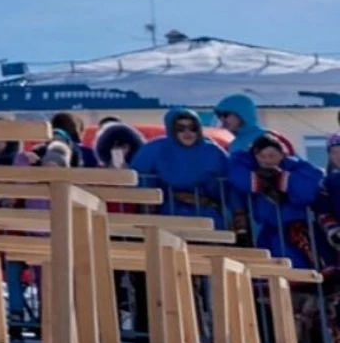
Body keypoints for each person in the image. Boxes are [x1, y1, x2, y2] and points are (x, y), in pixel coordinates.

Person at [228, 135, 327, 270]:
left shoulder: (297, 168)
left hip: (295, 229)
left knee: (296, 261)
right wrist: (260, 179)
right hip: (269, 229)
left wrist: (281, 179)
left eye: (271, 155)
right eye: (262, 156)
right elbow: (237, 173)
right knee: (270, 262)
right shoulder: (252, 169)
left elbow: (307, 192)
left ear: (282, 155)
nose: (267, 160)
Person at [130, 108, 230, 228]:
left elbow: (230, 185)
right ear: (171, 130)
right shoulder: (155, 149)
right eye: (180, 129)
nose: (187, 133)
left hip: (207, 209)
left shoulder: (213, 152)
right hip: (168, 210)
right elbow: (139, 176)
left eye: (192, 128)